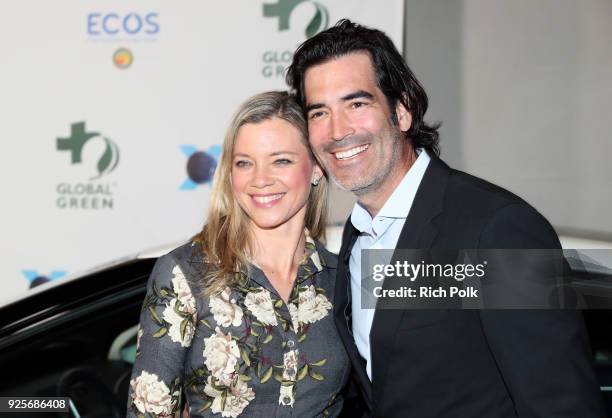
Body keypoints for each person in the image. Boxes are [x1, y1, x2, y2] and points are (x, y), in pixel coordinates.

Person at [286, 19, 605, 418]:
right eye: (319, 113)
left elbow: (563, 403)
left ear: (401, 111)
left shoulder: (496, 230)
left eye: (356, 104)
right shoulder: (359, 235)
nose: (337, 131)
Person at [126, 91, 350, 417]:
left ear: (316, 168)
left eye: (281, 160)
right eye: (245, 163)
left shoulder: (343, 278)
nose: (260, 179)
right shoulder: (185, 274)